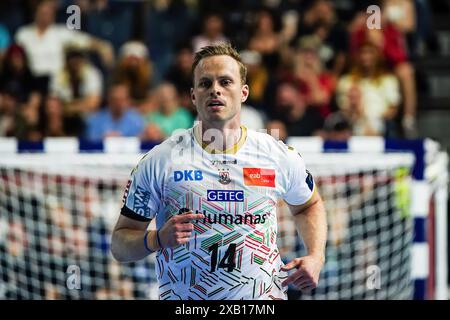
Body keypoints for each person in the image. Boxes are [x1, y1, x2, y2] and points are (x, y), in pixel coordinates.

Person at [111, 43, 327, 300]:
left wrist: (316, 255)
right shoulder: (160, 161)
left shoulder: (276, 155)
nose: (215, 89)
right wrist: (156, 239)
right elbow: (120, 244)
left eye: (226, 82)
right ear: (193, 96)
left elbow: (308, 205)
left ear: (244, 92)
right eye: (205, 83)